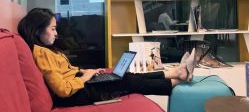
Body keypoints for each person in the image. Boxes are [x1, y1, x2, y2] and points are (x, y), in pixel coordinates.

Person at [17, 8, 195, 107]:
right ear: (39, 30)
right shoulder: (41, 53)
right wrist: (85, 78)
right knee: (128, 82)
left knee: (129, 76)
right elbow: (62, 89)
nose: (56, 33)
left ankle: (175, 72)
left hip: (78, 87)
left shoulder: (46, 50)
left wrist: (83, 71)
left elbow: (63, 71)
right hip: (74, 95)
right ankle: (176, 82)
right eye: (53, 29)